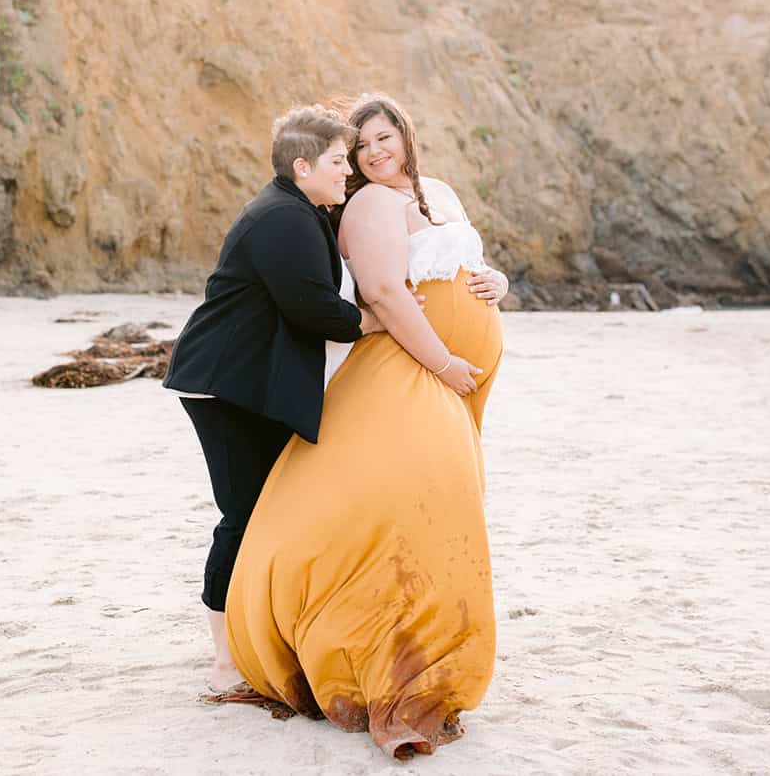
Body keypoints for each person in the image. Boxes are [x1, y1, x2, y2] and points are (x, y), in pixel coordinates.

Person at [222, 92, 510, 759]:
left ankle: (421, 636)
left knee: (436, 506)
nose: (375, 152)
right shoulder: (369, 204)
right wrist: (442, 362)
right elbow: (381, 293)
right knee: (407, 505)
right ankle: (391, 652)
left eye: (384, 138)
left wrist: (497, 281)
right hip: (411, 369)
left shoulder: (438, 191)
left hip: (447, 377)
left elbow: (467, 267)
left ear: (405, 135)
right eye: (361, 148)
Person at [163, 104, 385, 693]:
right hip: (225, 384)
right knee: (243, 516)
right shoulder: (283, 218)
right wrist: (381, 321)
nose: (348, 172)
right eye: (339, 162)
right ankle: (223, 661)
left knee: (270, 512)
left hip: (248, 380)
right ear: (303, 164)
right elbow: (312, 307)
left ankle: (264, 640)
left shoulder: (302, 209)